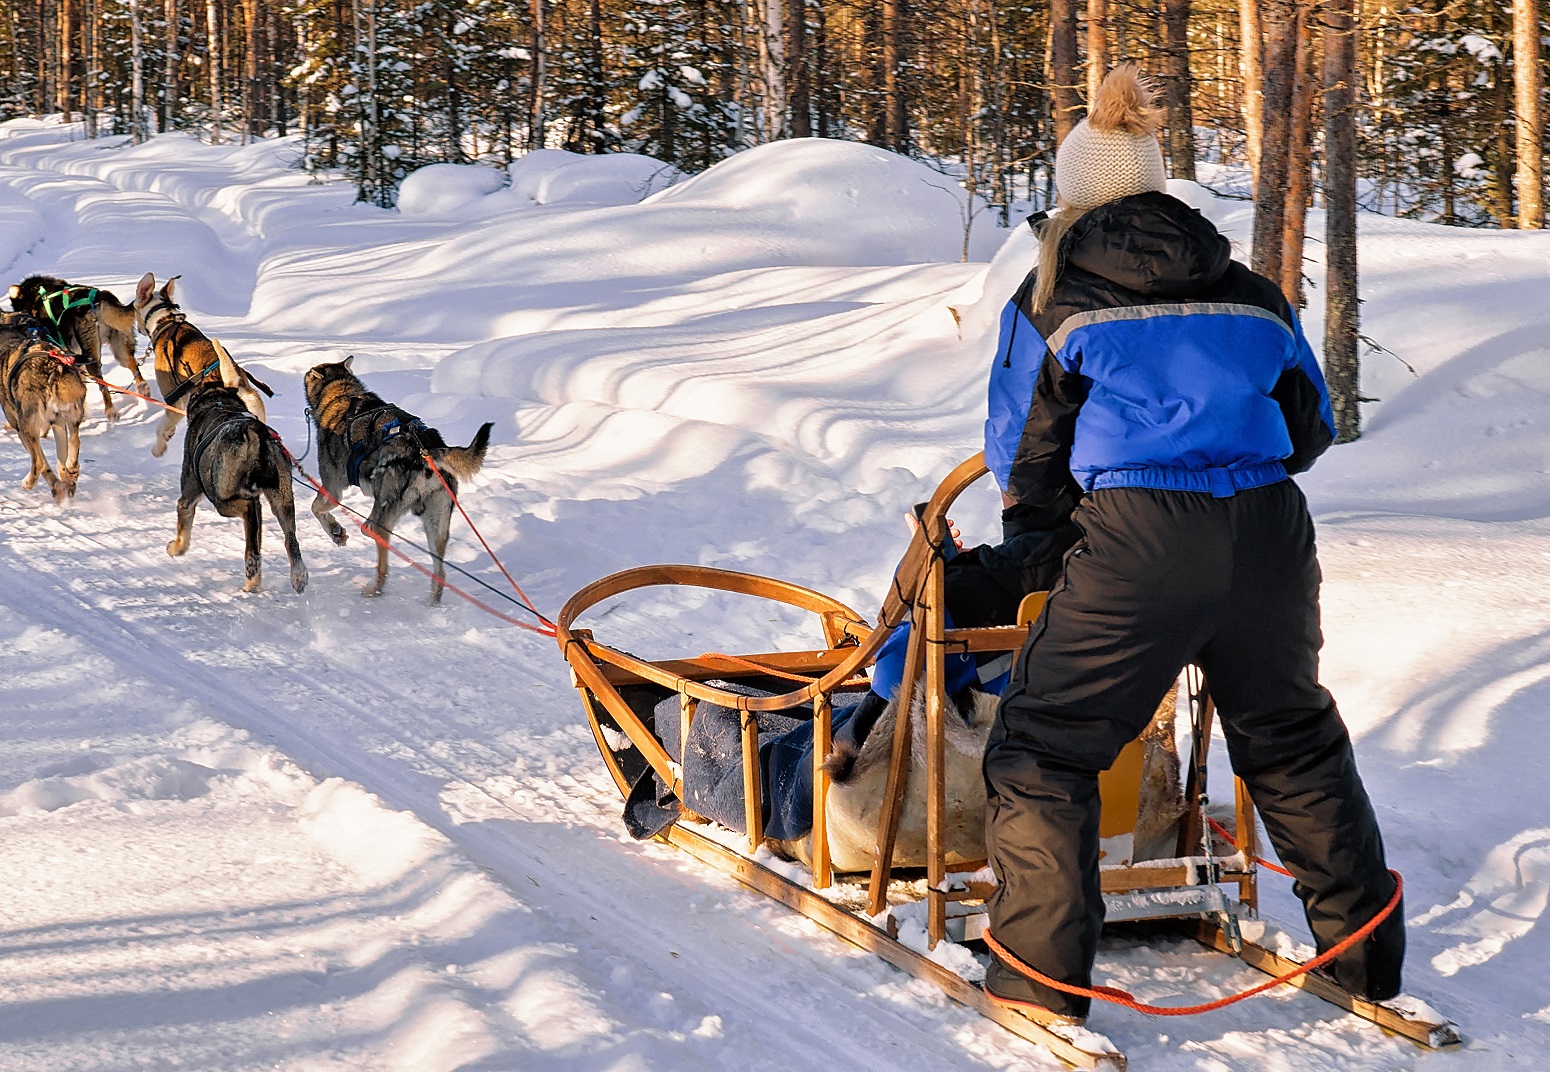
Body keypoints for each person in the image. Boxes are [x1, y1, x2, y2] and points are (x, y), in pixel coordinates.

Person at [979, 64, 1405, 1024]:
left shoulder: (1053, 295)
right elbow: (1308, 430)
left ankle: (1041, 984)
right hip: (1267, 536)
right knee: (1291, 737)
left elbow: (1023, 453)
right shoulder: (1252, 291)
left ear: (1073, 198)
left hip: (1136, 543)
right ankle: (1362, 963)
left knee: (1045, 746)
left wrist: (1040, 548)